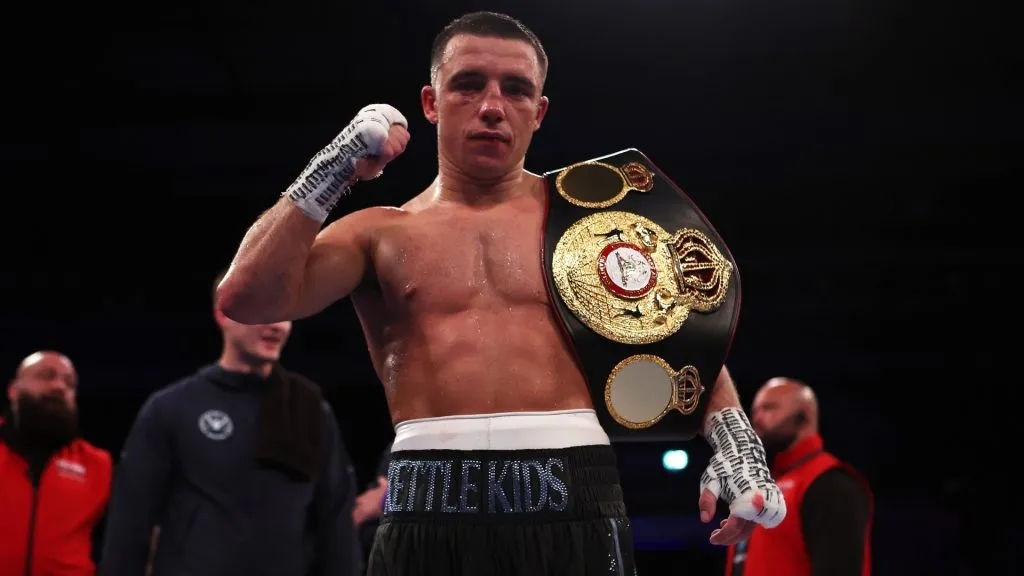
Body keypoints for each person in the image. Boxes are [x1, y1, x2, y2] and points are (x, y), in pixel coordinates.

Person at [217, 11, 786, 575]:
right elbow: (247, 297)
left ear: (537, 113)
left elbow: (680, 332)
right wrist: (334, 167)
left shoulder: (596, 220)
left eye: (515, 90)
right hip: (426, 503)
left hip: (575, 499)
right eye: (468, 85)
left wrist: (738, 445)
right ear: (431, 102)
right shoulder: (378, 233)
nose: (492, 106)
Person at [99, 271, 362, 576]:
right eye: (265, 310)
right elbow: (130, 523)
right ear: (223, 313)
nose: (277, 325)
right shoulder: (171, 408)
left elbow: (337, 524)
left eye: (286, 313)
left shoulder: (311, 409)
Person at [725, 377, 873, 576]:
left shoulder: (830, 483)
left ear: (805, 416)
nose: (757, 419)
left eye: (769, 408)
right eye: (755, 411)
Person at [0, 351, 113, 576]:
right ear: (13, 390)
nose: (59, 386)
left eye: (69, 383)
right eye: (46, 376)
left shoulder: (98, 465)